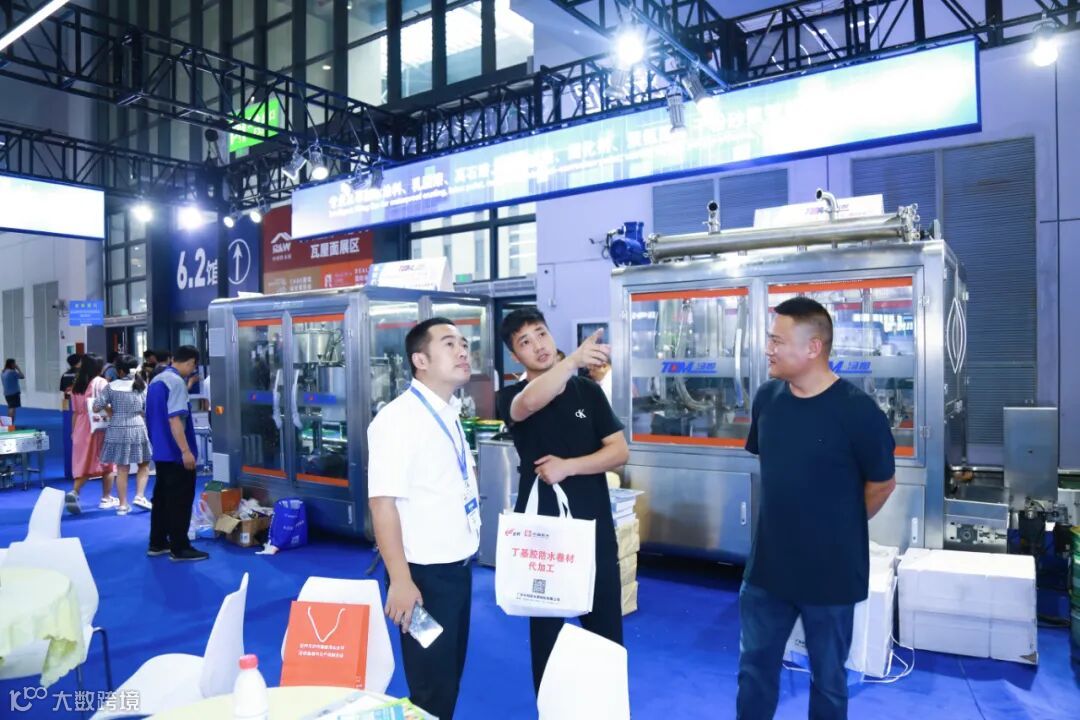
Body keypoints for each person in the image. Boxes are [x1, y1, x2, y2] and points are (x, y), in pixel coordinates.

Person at [737, 297, 897, 720]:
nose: (768, 349)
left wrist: (838, 526)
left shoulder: (858, 412)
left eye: (778, 341)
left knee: (828, 680)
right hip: (768, 570)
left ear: (813, 347)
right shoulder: (768, 398)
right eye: (769, 339)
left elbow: (882, 484)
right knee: (754, 671)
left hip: (832, 573)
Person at [496, 308, 629, 694]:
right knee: (547, 639)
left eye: (541, 334)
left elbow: (619, 451)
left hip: (593, 529)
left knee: (606, 634)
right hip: (542, 536)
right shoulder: (511, 396)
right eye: (525, 342)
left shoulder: (587, 391)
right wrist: (571, 361)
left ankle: (607, 706)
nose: (538, 345)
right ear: (515, 356)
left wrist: (569, 467)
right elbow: (530, 403)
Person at [367, 318, 480, 720]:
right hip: (422, 579)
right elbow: (382, 504)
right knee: (431, 686)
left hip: (456, 570)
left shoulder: (447, 411)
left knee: (447, 680)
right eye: (449, 344)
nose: (463, 351)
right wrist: (400, 580)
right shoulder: (397, 420)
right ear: (420, 360)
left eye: (464, 343)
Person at [145, 345, 206, 561]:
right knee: (180, 500)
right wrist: (186, 451)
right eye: (193, 366)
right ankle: (180, 547)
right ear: (190, 362)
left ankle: (158, 542)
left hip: (161, 452)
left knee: (162, 500)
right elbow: (175, 420)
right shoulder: (177, 382)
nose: (192, 370)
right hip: (176, 454)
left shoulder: (157, 380)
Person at [94, 354, 154, 515]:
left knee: (122, 468)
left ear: (119, 371)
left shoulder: (111, 386)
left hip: (116, 427)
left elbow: (96, 406)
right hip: (137, 425)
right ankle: (140, 496)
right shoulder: (141, 385)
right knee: (144, 464)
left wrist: (111, 411)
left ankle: (122, 505)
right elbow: (147, 408)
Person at [65, 353, 117, 514]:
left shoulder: (77, 384)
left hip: (81, 426)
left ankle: (75, 491)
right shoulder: (101, 382)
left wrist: (73, 431)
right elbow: (109, 405)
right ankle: (106, 498)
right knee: (108, 464)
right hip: (99, 426)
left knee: (84, 463)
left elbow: (75, 412)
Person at [59, 353, 81, 482]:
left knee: (69, 436)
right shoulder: (83, 375)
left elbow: (63, 391)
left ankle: (69, 469)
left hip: (67, 405)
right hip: (80, 406)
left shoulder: (65, 374)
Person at [2, 358, 25, 425]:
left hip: (7, 393)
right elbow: (22, 376)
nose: (15, 365)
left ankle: (8, 423)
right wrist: (18, 369)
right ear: (11, 364)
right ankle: (10, 424)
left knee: (10, 408)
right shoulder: (12, 372)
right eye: (14, 363)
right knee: (12, 409)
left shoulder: (3, 372)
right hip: (13, 393)